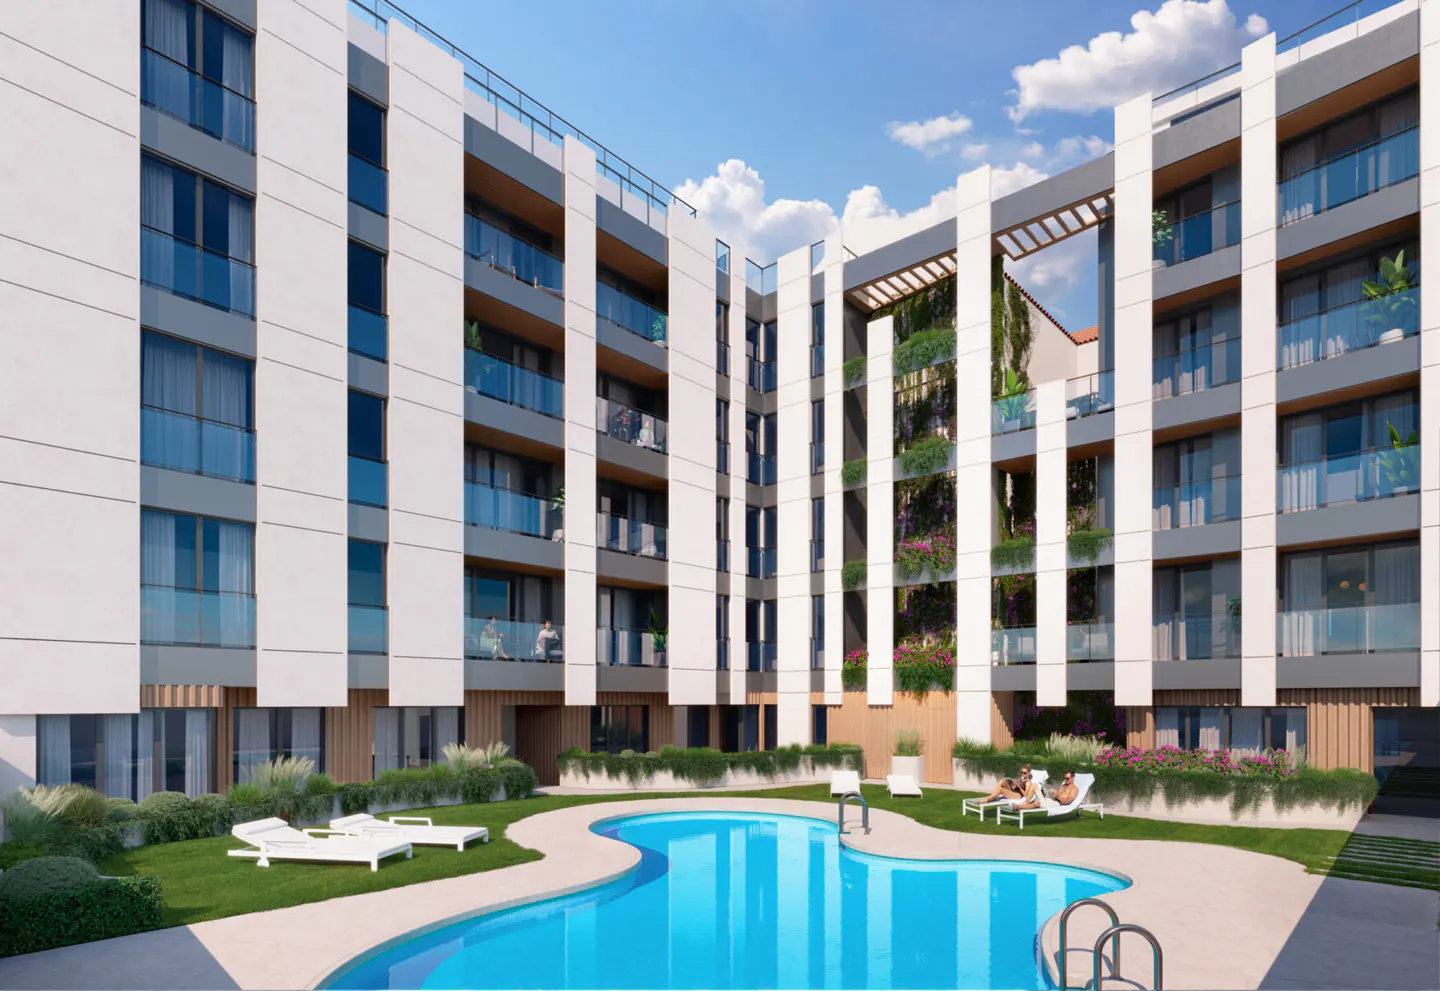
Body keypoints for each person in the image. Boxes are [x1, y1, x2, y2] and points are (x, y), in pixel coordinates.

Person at [1014, 770, 1079, 811]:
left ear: (1073, 778)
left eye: (1067, 778)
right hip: (1050, 800)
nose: (1065, 780)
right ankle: (1026, 802)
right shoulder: (1063, 786)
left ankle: (1019, 807)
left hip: (1057, 804)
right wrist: (1051, 793)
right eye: (1065, 778)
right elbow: (1057, 794)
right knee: (1034, 785)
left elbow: (1067, 801)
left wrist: (1057, 796)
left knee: (1037, 803)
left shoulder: (1074, 789)